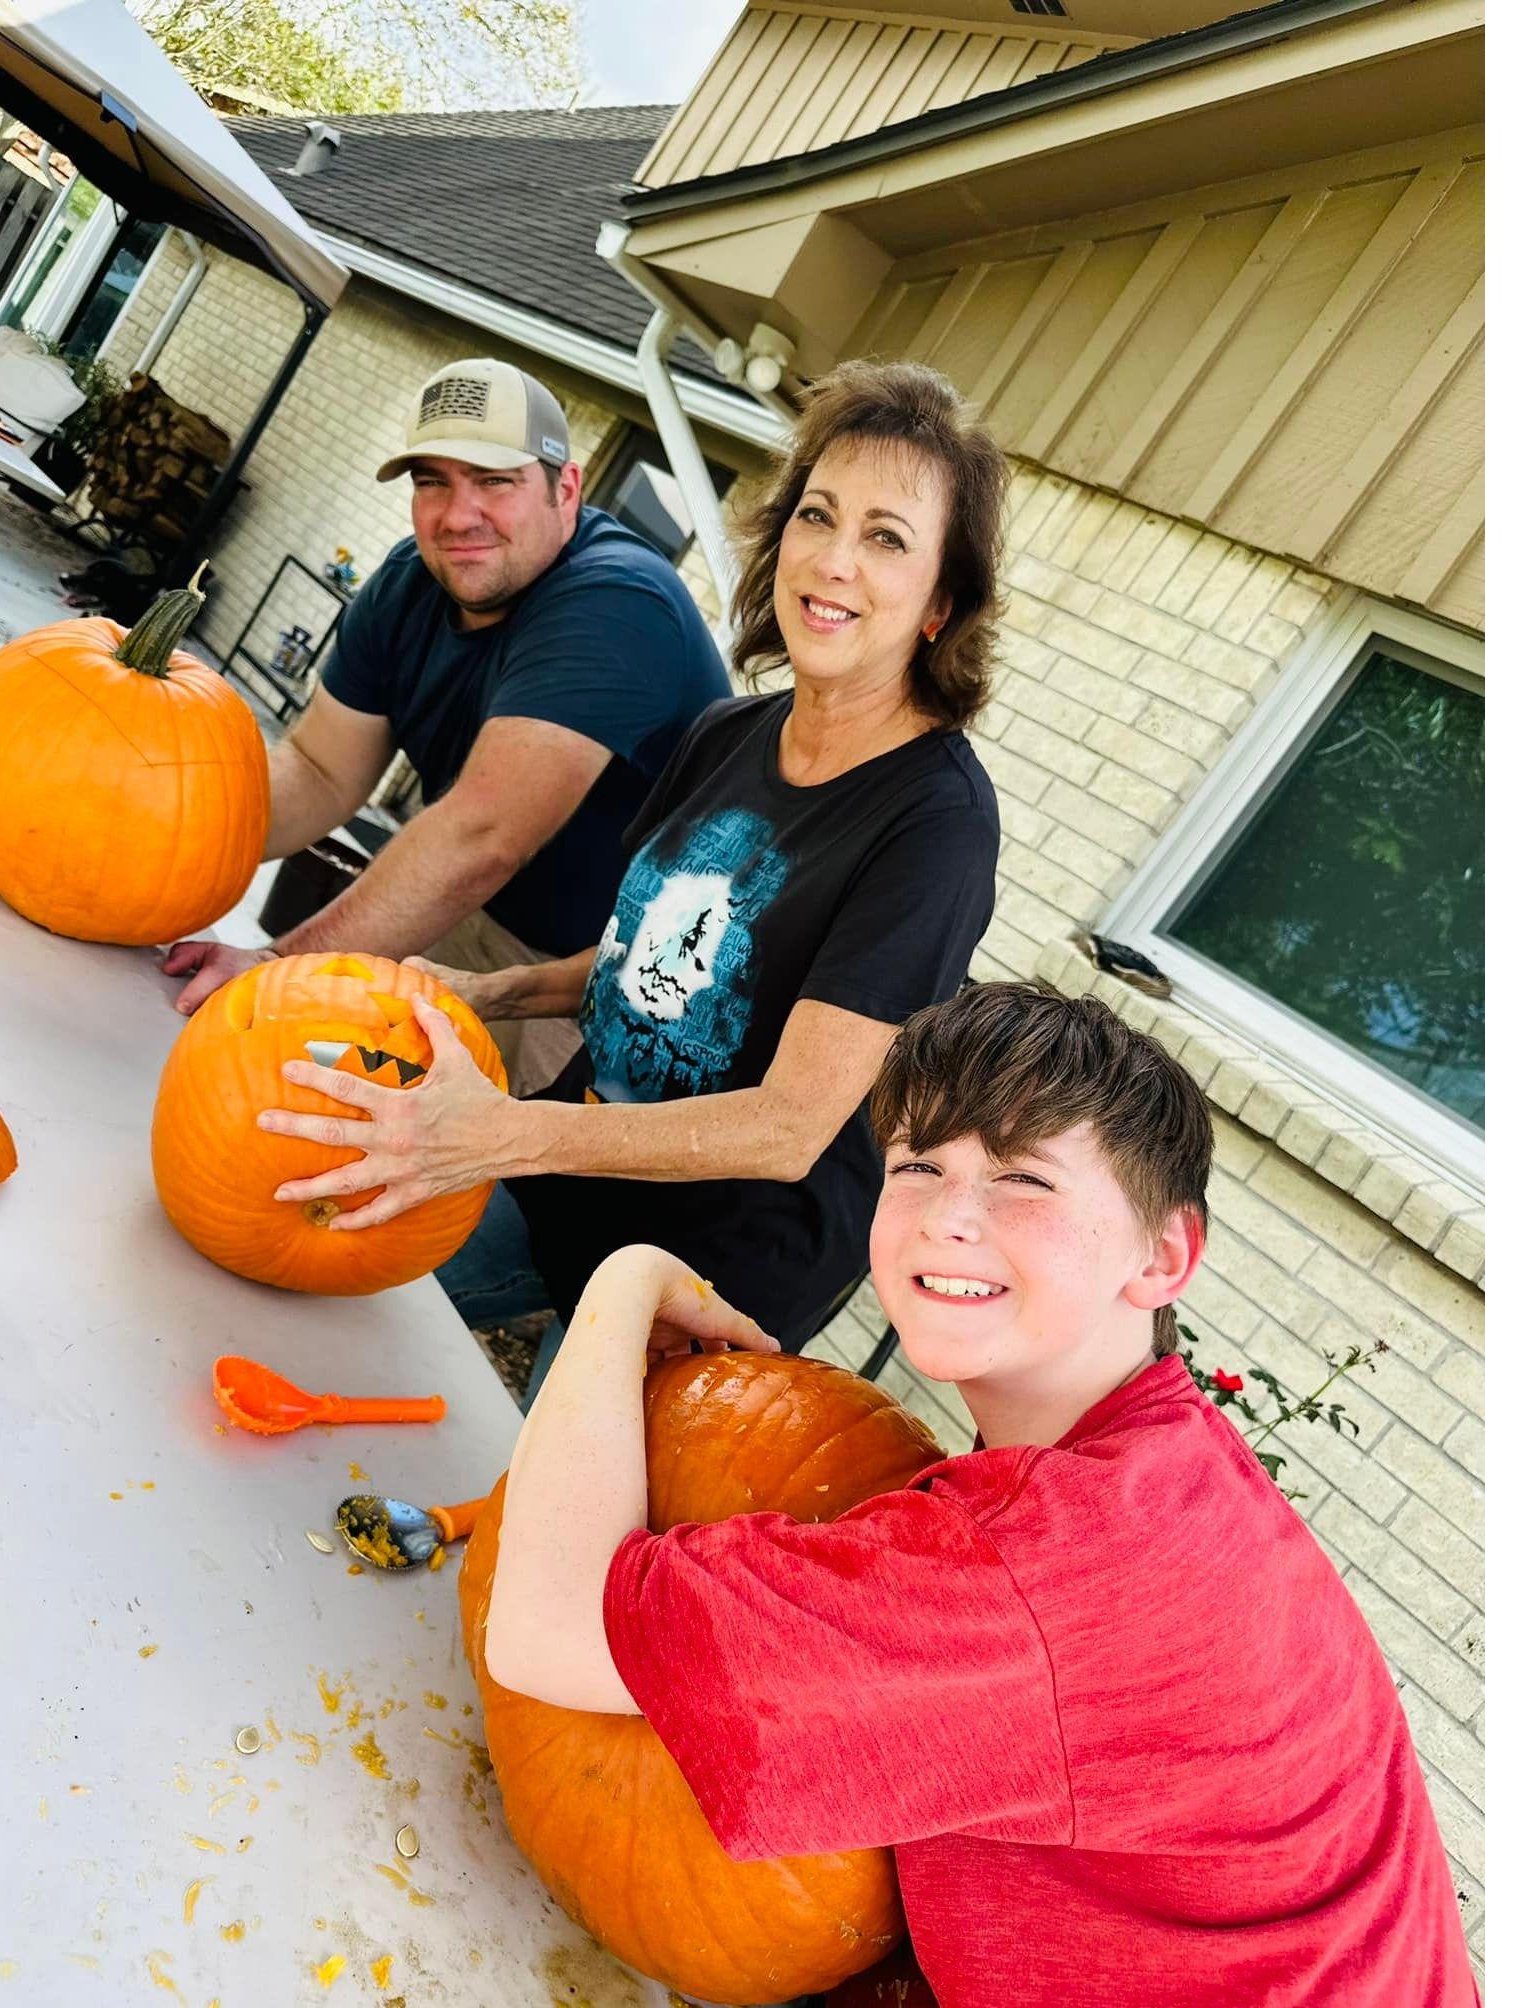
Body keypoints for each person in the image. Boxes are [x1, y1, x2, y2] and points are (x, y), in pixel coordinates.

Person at [482, 984, 1484, 2008]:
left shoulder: (1057, 1564)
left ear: (1161, 1256)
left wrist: (623, 1281)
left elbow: (541, 1628)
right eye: (917, 1163)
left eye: (1020, 1177)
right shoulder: (1159, 1465)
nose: (946, 1214)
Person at [248, 360, 1008, 1393]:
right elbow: (640, 950)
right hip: (572, 1168)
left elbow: (789, 1126)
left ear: (940, 603)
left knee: (529, 1512)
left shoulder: (935, 821)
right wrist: (486, 990)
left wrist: (500, 1130)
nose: (833, 561)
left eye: (885, 538)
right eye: (816, 516)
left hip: (702, 1271)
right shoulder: (728, 734)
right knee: (304, 1271)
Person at [161, 356, 731, 1096]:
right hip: (462, 918)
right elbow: (319, 769)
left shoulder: (619, 602)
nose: (458, 516)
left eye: (494, 481)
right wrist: (163, 843)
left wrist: (275, 973)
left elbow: (480, 839)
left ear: (566, 488)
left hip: (595, 993)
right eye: (433, 481)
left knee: (393, 1168)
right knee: (264, 1090)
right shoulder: (409, 582)